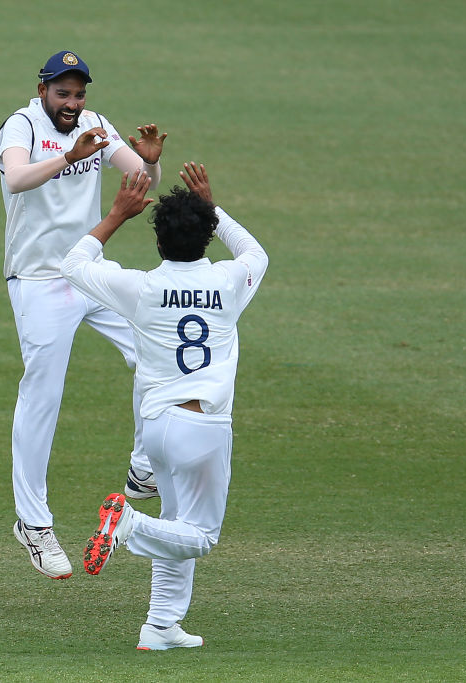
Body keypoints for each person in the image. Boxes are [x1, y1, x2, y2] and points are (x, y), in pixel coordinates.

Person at [60, 163, 269, 649]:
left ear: (159, 244)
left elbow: (72, 265)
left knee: (175, 526)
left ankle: (160, 627)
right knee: (201, 536)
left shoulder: (142, 288)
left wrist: (115, 215)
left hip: (155, 427)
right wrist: (212, 207)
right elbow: (255, 252)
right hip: (203, 426)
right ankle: (127, 525)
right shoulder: (228, 281)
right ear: (207, 238)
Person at [0, 50, 167, 580]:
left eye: (79, 93)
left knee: (157, 353)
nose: (73, 103)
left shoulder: (93, 122)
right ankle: (34, 524)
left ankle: (142, 471)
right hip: (39, 279)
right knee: (42, 394)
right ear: (43, 88)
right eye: (63, 93)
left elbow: (142, 179)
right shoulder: (19, 126)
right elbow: (17, 180)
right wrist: (69, 157)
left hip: (89, 269)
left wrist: (151, 160)